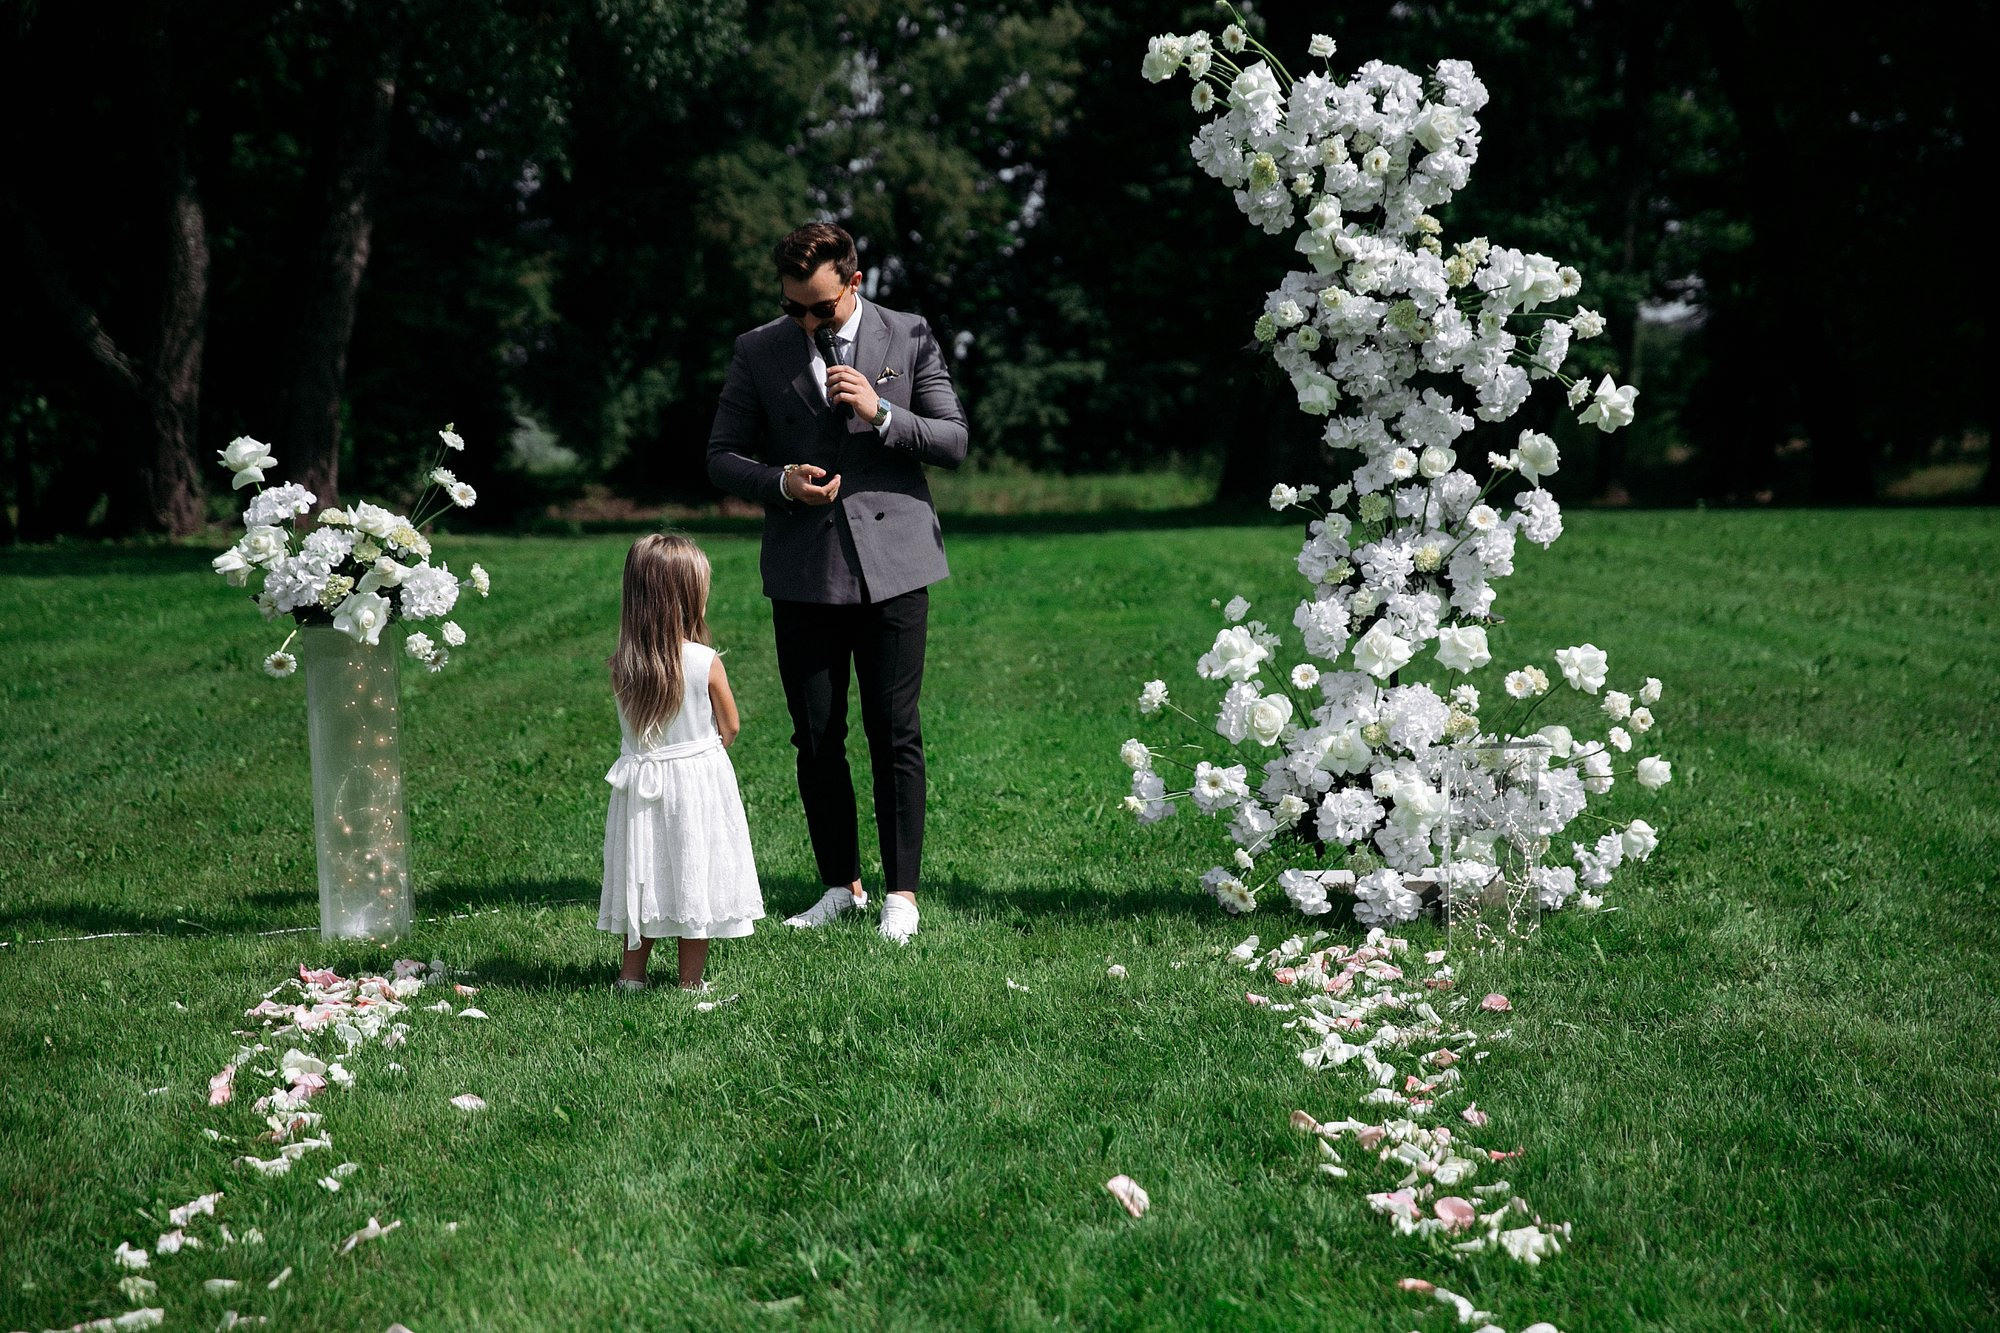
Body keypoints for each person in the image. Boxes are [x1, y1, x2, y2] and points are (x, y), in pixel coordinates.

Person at [706, 221, 968, 944]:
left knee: (895, 731)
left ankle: (901, 894)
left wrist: (882, 413)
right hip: (803, 567)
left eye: (819, 307)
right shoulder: (758, 350)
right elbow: (721, 456)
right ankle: (839, 884)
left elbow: (954, 440)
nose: (805, 321)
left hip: (897, 563)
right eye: (793, 307)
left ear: (855, 283)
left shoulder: (908, 334)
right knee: (816, 735)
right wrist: (780, 481)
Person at [598, 534, 763, 990]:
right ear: (689, 596)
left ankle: (631, 975)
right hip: (695, 788)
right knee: (695, 878)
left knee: (644, 877)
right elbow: (729, 726)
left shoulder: (623, 664)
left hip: (640, 791)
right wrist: (701, 759)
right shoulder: (705, 661)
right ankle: (691, 982)